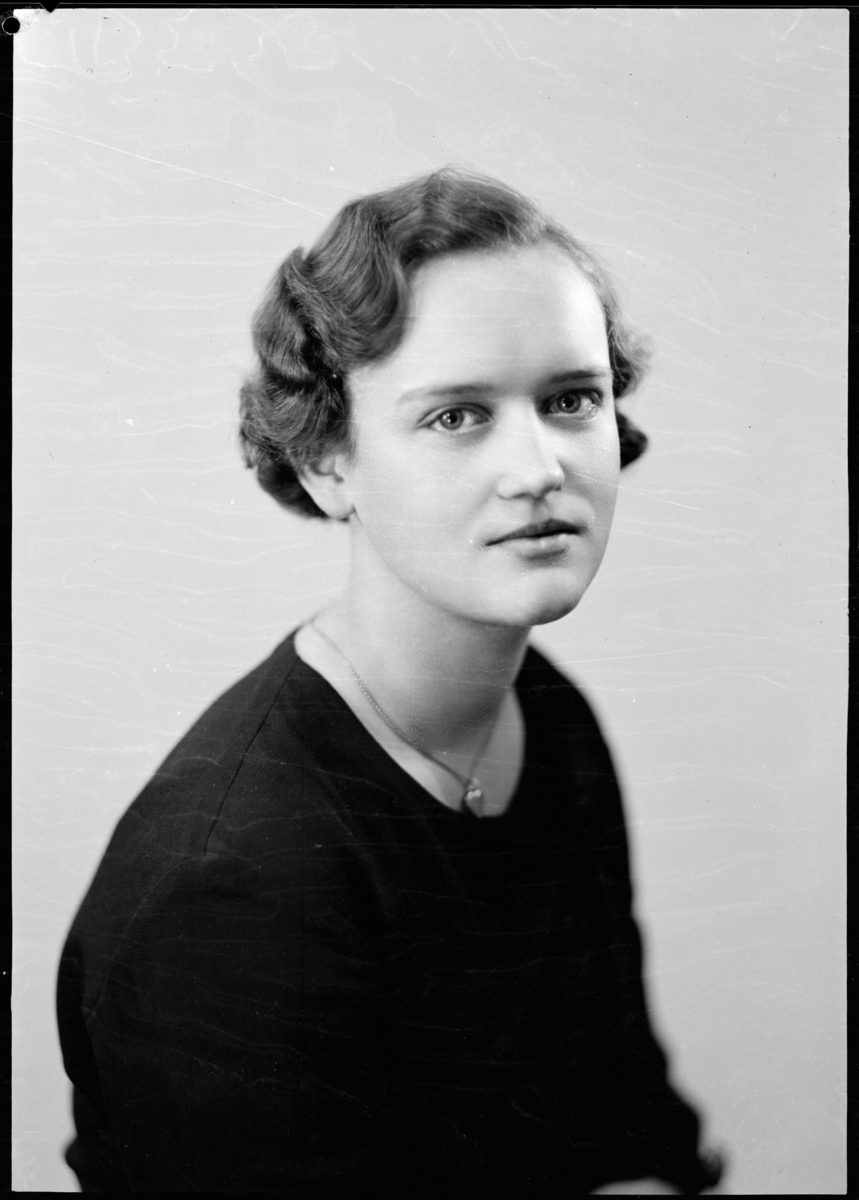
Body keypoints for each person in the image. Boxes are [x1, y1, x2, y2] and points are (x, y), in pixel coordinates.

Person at [57, 168, 725, 1194]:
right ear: (328, 461)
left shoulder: (547, 718)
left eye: (570, 400)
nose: (538, 467)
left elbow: (626, 1123)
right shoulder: (235, 877)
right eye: (457, 416)